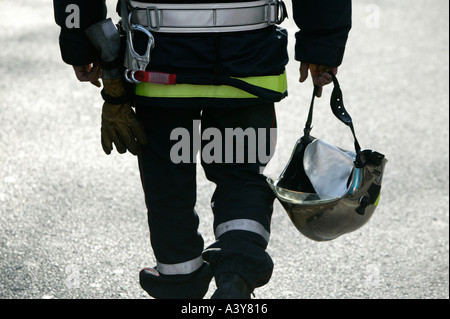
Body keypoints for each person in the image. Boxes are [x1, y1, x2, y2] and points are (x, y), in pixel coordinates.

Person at [53, 0, 352, 299]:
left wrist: (81, 41)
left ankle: (179, 284)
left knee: (168, 184)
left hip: (159, 62)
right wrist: (322, 45)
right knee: (240, 175)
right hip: (248, 60)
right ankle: (236, 275)